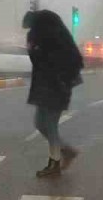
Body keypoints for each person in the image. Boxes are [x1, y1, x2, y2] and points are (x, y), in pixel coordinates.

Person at [23, 9, 84, 177]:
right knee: (41, 124)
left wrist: (33, 48)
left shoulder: (51, 40)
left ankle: (54, 164)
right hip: (48, 87)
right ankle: (66, 151)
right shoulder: (52, 38)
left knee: (49, 125)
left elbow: (45, 62)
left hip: (56, 88)